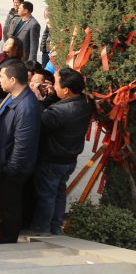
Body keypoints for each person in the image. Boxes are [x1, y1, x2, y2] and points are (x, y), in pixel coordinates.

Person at [0, 59, 41, 244]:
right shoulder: (14, 98)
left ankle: (7, 238)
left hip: (12, 167)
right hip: (3, 161)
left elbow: (24, 144)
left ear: (13, 79)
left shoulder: (27, 106)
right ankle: (2, 233)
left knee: (11, 204)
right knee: (6, 203)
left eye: (2, 77)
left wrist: (11, 169)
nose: (0, 80)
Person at [29, 68, 93, 236]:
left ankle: (41, 229)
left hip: (51, 159)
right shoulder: (85, 103)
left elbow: (39, 125)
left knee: (46, 195)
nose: (52, 86)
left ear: (66, 90)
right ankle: (56, 227)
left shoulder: (57, 111)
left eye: (56, 83)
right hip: (69, 159)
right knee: (58, 193)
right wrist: (53, 96)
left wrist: (39, 100)